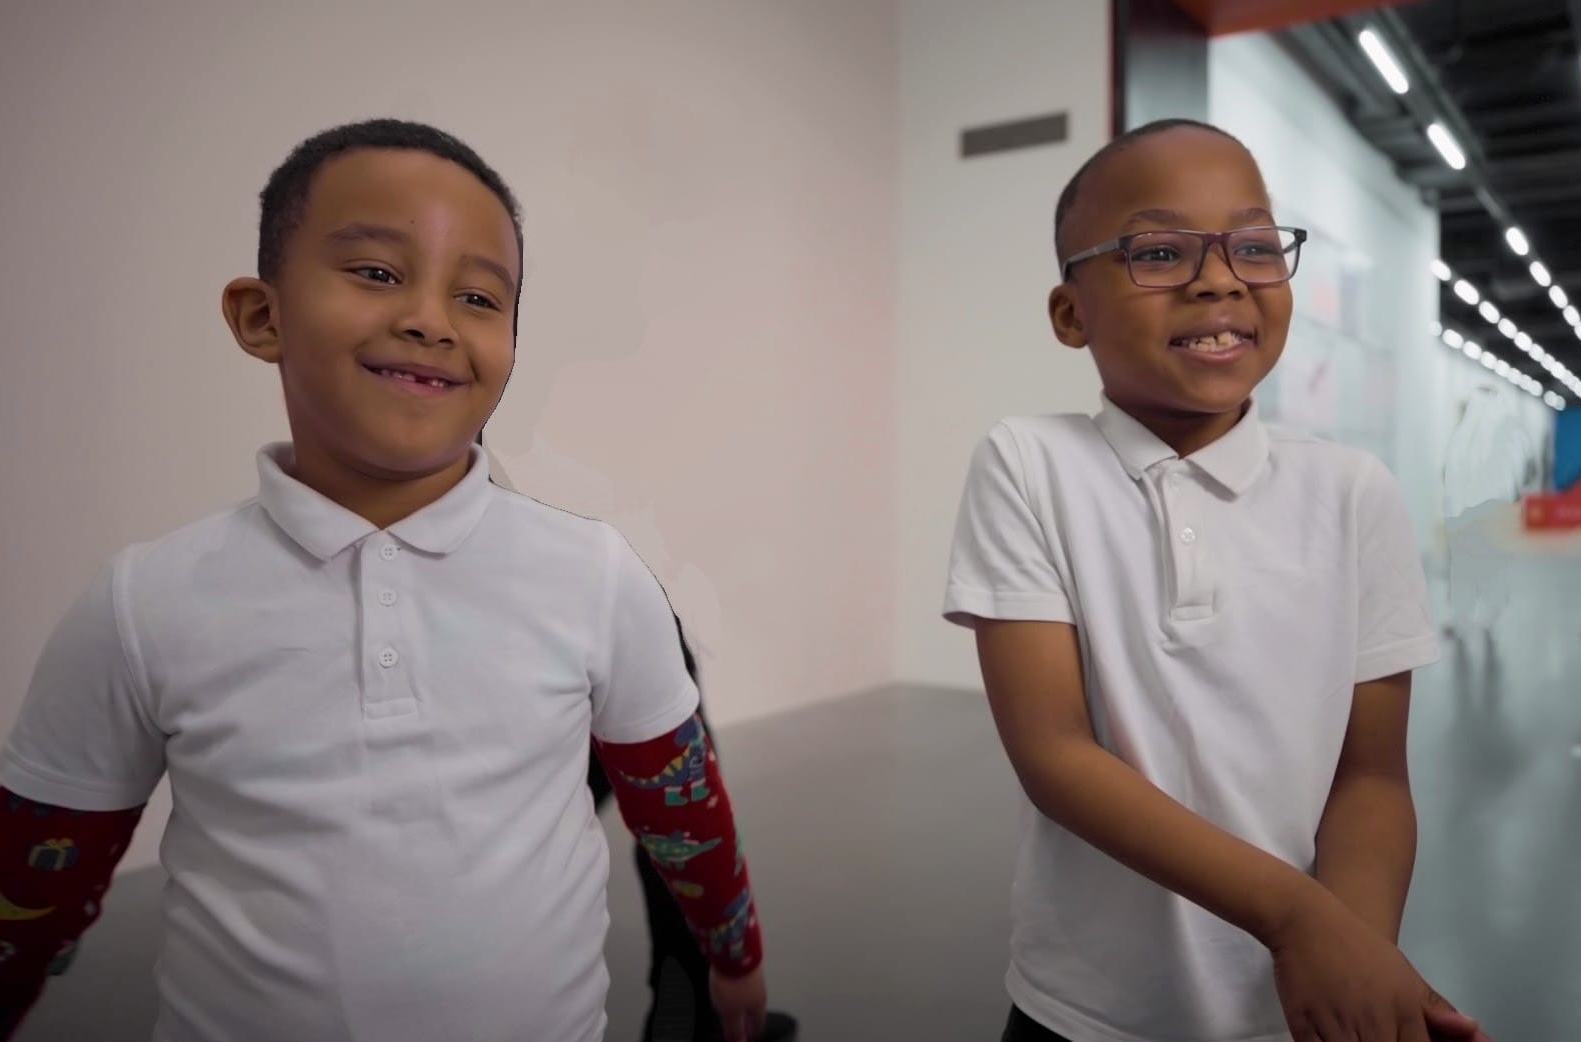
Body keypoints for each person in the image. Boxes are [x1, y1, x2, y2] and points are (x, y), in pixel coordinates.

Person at [0, 118, 770, 1042]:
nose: (431, 320)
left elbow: (683, 809)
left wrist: (735, 961)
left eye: (480, 297)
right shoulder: (142, 603)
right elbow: (38, 873)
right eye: (376, 272)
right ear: (260, 315)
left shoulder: (595, 576)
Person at [942, 119, 1494, 1042]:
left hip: (1288, 1008)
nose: (1217, 277)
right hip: (1082, 1010)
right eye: (1157, 250)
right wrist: (1295, 918)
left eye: (1251, 246)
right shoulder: (1030, 463)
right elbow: (1055, 755)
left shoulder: (1350, 492)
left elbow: (1368, 779)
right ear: (1070, 314)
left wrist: (1350, 954)